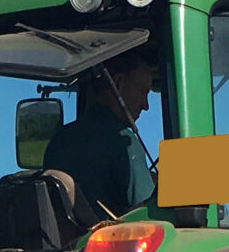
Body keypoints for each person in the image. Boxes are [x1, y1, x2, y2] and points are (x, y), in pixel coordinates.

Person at [41, 54, 157, 218]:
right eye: (142, 92)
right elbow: (150, 216)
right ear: (117, 83)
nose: (146, 106)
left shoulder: (59, 140)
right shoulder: (124, 143)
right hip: (115, 242)